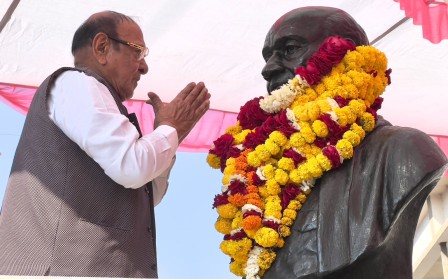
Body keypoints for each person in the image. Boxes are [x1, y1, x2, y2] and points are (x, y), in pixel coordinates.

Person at [0, 11, 210, 277]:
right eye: (139, 52)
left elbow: (146, 195)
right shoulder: (76, 83)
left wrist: (170, 135)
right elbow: (132, 167)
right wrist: (171, 129)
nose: (144, 67)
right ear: (102, 47)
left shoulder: (95, 105)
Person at [258, 6, 447, 279]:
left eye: (289, 49)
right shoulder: (267, 179)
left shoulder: (404, 151)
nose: (268, 68)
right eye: (268, 56)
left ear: (345, 55)